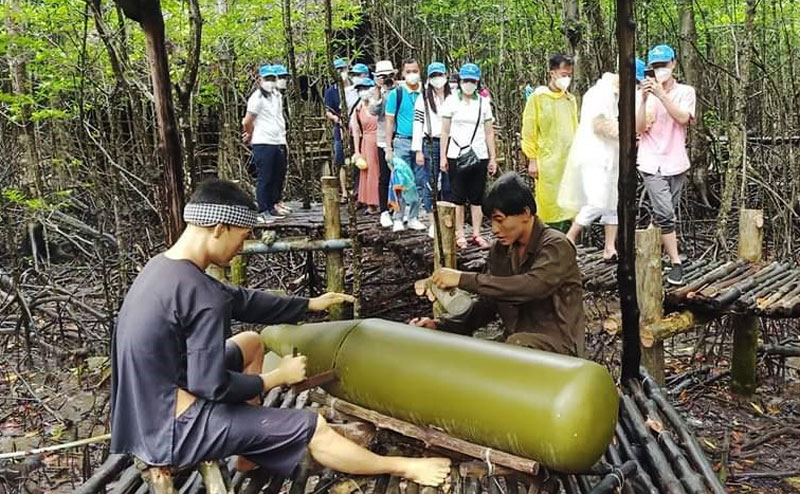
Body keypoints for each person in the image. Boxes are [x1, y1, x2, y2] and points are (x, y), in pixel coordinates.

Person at [110, 179, 451, 486]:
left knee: (251, 341)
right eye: (242, 238)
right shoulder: (202, 296)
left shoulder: (164, 268)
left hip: (143, 411)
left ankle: (248, 455)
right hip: (173, 431)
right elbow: (210, 385)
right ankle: (401, 466)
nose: (241, 249)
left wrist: (310, 304)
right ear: (218, 228)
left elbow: (242, 300)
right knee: (310, 426)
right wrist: (277, 377)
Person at [409, 172, 585, 357]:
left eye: (500, 220)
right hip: (517, 344)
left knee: (512, 347)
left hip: (560, 351)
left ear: (525, 213)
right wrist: (442, 325)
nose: (494, 229)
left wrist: (462, 279)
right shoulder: (501, 251)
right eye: (492, 221)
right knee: (474, 357)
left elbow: (531, 286)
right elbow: (488, 303)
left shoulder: (556, 245)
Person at [636, 45, 696, 286]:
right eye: (656, 66)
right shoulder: (645, 92)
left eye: (664, 64)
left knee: (663, 216)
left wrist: (661, 95)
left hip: (676, 161)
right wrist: (642, 100)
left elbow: (683, 118)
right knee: (665, 213)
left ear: (673, 63)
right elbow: (639, 127)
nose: (661, 70)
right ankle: (675, 262)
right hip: (650, 161)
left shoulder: (686, 92)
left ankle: (648, 252)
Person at [559, 72, 621, 262]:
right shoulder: (599, 93)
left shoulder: (615, 94)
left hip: (612, 157)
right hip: (594, 157)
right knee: (597, 202)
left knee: (612, 203)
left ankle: (609, 248)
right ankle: (569, 238)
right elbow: (599, 124)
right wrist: (626, 132)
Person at [439, 63, 497, 249]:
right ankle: (459, 234)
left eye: (472, 80)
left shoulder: (483, 102)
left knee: (477, 196)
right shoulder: (450, 101)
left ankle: (477, 234)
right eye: (465, 80)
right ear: (460, 81)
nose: (469, 84)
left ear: (478, 81)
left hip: (479, 154)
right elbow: (445, 131)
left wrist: (492, 157)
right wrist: (443, 156)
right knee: (458, 196)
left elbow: (489, 132)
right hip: (456, 153)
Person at [520, 53, 579, 232]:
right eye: (563, 74)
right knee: (549, 206)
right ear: (552, 73)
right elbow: (529, 130)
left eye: (569, 75)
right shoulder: (538, 98)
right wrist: (532, 159)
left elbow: (575, 129)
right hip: (548, 163)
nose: (566, 78)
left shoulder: (570, 99)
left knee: (571, 207)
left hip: (568, 163)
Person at [242, 64, 289, 224]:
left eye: (272, 79)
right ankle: (262, 211)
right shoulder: (257, 98)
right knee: (265, 177)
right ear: (260, 80)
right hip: (263, 142)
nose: (271, 82)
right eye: (267, 79)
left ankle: (271, 207)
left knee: (277, 175)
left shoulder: (276, 96)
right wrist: (250, 134)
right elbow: (248, 120)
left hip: (277, 141)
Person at [412, 62, 452, 237]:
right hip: (429, 142)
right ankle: (432, 220)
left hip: (452, 143)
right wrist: (418, 150)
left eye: (440, 75)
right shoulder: (423, 98)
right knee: (430, 182)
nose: (438, 79)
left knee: (450, 184)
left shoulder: (453, 96)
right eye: (434, 76)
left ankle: (448, 220)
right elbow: (417, 123)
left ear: (446, 76)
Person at [385, 60, 425, 231]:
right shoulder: (396, 94)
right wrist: (388, 147)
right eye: (408, 71)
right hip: (401, 141)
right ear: (403, 73)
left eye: (415, 70)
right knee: (400, 180)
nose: (412, 74)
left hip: (421, 142)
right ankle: (398, 217)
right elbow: (389, 121)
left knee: (419, 180)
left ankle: (414, 216)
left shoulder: (425, 93)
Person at [370, 60, 398, 228]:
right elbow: (373, 112)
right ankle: (384, 211)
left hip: (400, 138)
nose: (387, 79)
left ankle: (398, 209)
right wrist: (378, 92)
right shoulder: (378, 92)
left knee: (401, 176)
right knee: (385, 177)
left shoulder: (400, 90)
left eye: (389, 75)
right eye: (383, 76)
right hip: (382, 140)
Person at [352, 78, 380, 214]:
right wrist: (357, 151)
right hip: (367, 141)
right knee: (369, 171)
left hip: (380, 139)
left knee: (383, 171)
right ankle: (371, 203)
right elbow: (356, 130)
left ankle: (387, 201)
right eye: (360, 89)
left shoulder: (379, 103)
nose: (363, 91)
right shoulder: (357, 108)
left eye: (365, 88)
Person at [324, 58, 351, 202]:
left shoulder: (355, 87)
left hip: (357, 128)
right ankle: (345, 192)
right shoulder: (331, 91)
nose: (342, 73)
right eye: (339, 70)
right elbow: (328, 111)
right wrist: (337, 119)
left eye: (343, 69)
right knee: (341, 160)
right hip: (339, 128)